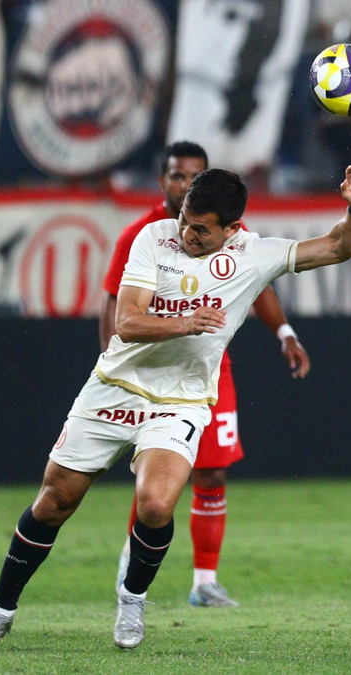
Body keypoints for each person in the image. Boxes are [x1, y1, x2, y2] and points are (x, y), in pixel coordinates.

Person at [0, 165, 351, 653]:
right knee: (54, 501)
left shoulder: (254, 254)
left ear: (231, 229)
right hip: (116, 385)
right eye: (184, 219)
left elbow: (339, 246)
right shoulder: (152, 239)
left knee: (156, 503)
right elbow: (127, 321)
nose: (187, 232)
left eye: (201, 228)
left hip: (180, 400)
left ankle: (132, 599)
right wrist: (187, 321)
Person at [101, 141, 310, 609]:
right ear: (163, 181)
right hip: (146, 373)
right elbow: (115, 304)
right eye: (177, 176)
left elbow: (259, 284)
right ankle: (129, 571)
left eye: (192, 176)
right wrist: (113, 365)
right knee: (153, 479)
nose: (183, 184)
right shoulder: (143, 234)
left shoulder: (229, 231)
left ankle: (204, 582)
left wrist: (284, 332)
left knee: (212, 471)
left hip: (208, 371)